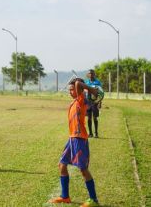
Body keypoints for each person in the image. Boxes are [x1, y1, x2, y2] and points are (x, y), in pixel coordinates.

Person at [48, 78, 99, 207]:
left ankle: (93, 200)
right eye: (69, 90)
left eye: (72, 90)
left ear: (80, 90)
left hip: (80, 139)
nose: (70, 92)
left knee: (83, 169)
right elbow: (77, 85)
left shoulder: (81, 100)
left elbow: (78, 83)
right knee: (62, 165)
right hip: (72, 138)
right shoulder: (74, 102)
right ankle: (65, 197)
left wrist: (90, 89)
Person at [85, 69, 102, 138]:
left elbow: (101, 93)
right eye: (89, 73)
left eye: (92, 73)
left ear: (94, 74)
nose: (91, 75)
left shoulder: (97, 82)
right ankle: (90, 133)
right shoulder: (86, 82)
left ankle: (96, 133)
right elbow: (85, 92)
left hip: (95, 102)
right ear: (88, 75)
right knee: (89, 118)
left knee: (95, 118)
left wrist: (100, 102)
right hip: (88, 102)